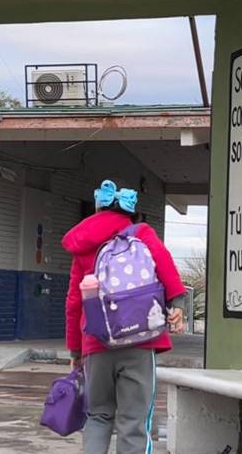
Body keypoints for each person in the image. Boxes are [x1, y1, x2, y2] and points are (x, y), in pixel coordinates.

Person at [63, 179, 188, 454]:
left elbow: (74, 301)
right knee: (134, 421)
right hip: (141, 339)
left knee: (98, 416)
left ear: (98, 208)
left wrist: (75, 349)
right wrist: (177, 302)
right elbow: (164, 263)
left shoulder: (82, 243)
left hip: (96, 343)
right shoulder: (142, 233)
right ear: (129, 211)